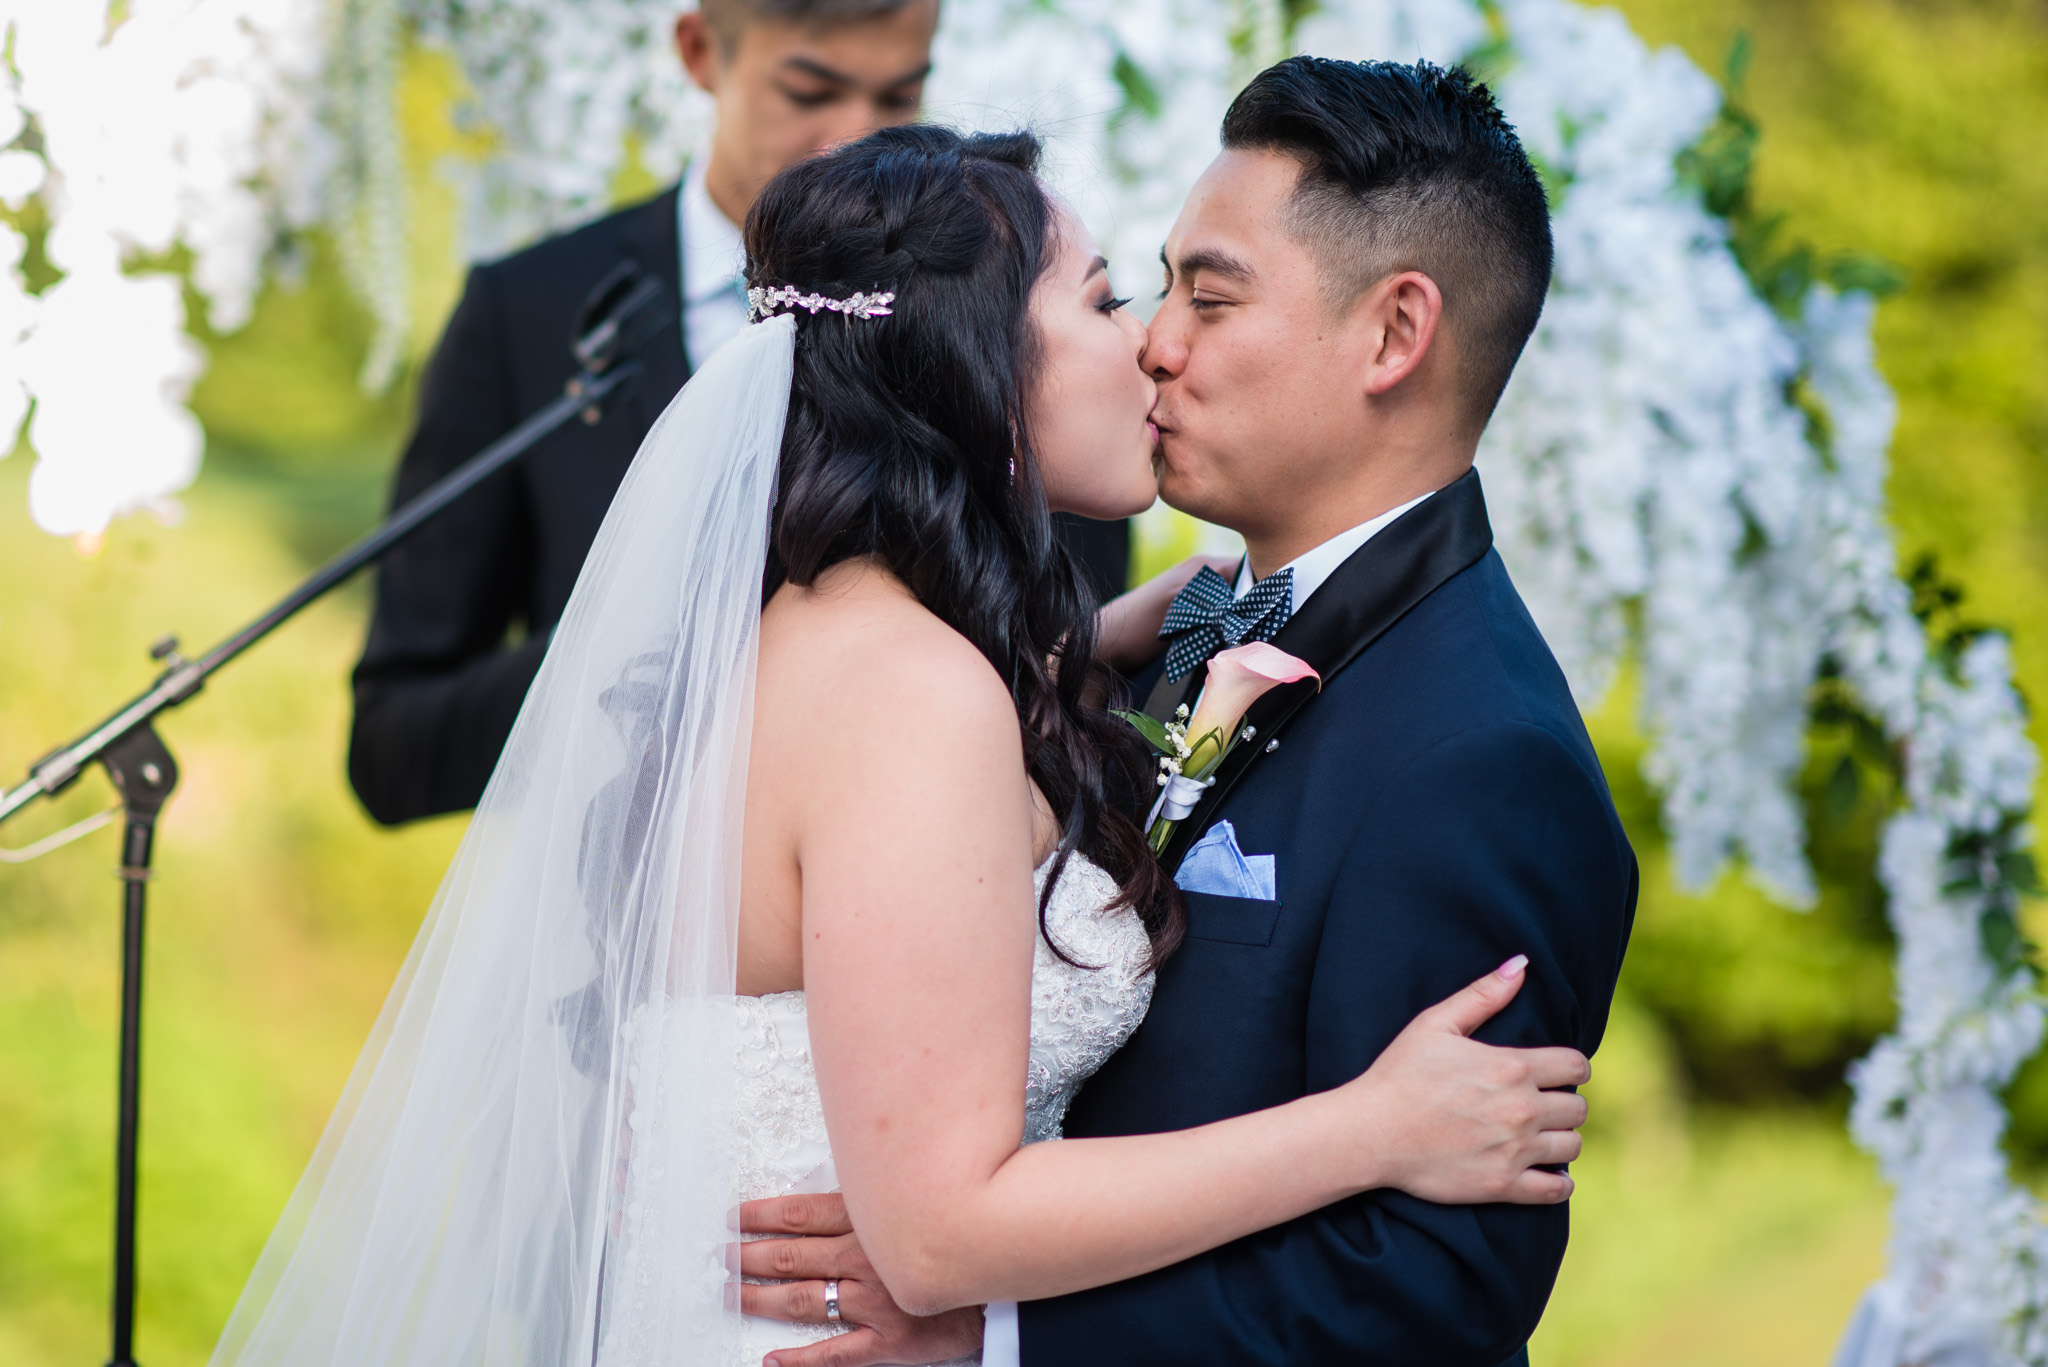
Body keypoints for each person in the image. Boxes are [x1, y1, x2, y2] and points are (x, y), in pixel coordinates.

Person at [210, 119, 1601, 1367]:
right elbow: (942, 1234)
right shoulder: (909, 692)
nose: (1152, 343)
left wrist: (1109, 636)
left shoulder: (829, 630)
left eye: (1193, 295)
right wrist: (1376, 1122)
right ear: (978, 363)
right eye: (1114, 296)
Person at [737, 57, 1639, 1367]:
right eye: (1148, 289)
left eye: (1206, 298)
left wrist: (999, 1330)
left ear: (1394, 334)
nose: (1157, 341)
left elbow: (1428, 1296)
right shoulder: (1188, 628)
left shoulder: (1480, 752)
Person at [345, 0, 1133, 827]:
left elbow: (1080, 676)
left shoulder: (1023, 343)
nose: (851, 137)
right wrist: (640, 628)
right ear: (698, 51)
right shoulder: (526, 313)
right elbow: (394, 750)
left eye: (898, 99)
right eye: (806, 91)